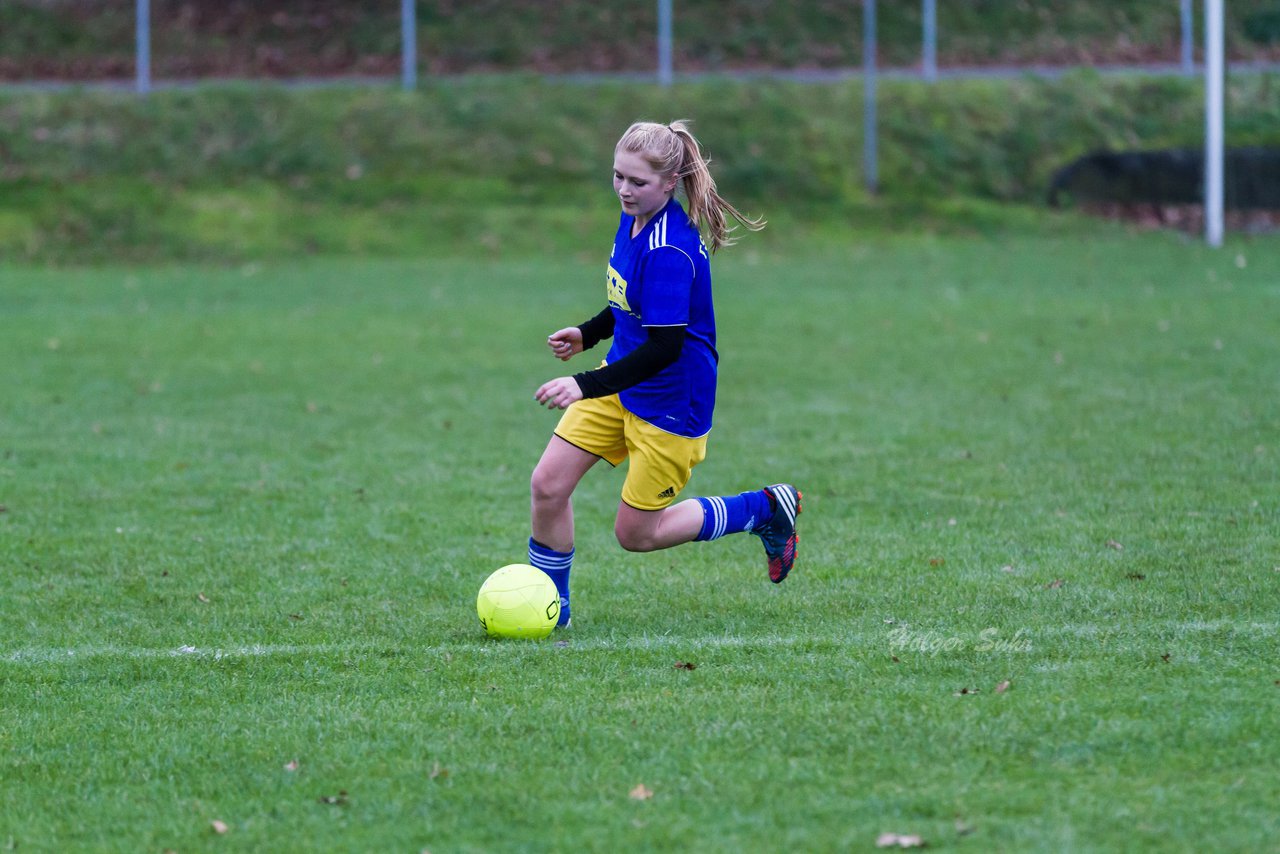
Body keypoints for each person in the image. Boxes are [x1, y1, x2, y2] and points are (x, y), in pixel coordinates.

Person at [528, 119, 801, 628]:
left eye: (638, 182)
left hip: (671, 401)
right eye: (617, 177)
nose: (624, 190)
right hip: (622, 380)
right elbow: (629, 301)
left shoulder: (670, 250)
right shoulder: (634, 219)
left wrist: (583, 383)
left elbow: (664, 346)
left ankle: (760, 509)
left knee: (636, 534)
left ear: (670, 182)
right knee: (547, 485)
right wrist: (588, 334)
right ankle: (549, 610)